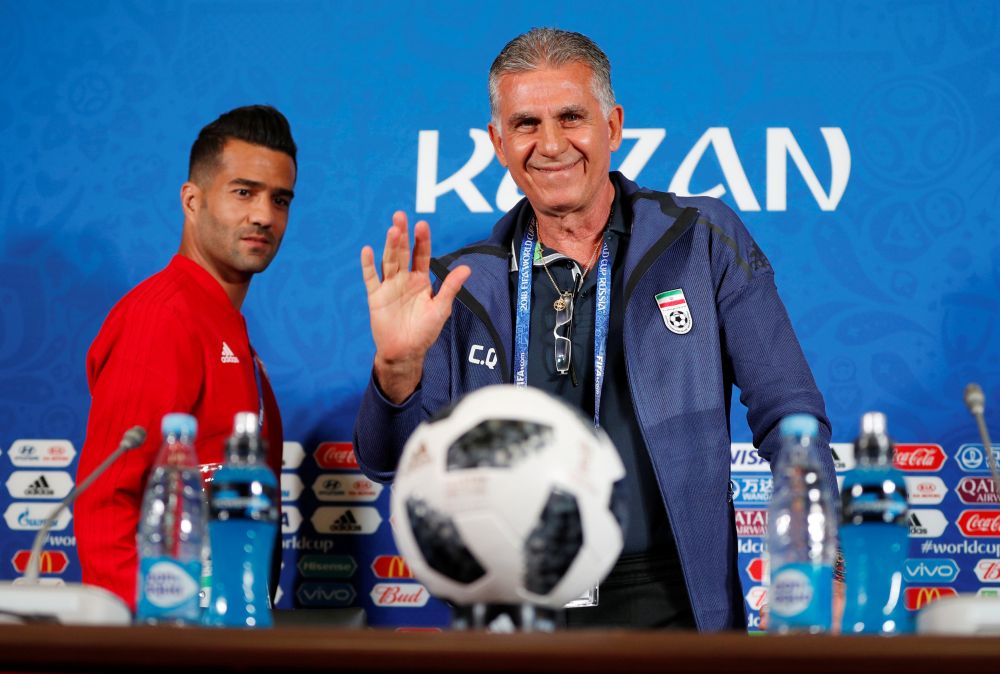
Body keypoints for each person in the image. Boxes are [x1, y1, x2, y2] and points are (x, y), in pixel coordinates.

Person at [354, 29, 835, 631]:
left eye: (572, 117)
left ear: (614, 125)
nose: (551, 144)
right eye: (526, 124)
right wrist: (396, 371)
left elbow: (790, 415)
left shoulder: (701, 239)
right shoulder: (458, 283)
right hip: (511, 609)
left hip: (675, 605)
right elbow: (389, 464)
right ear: (497, 143)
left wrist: (828, 563)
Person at [74, 105, 296, 609]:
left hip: (224, 633)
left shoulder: (225, 327)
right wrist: (145, 648)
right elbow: (107, 504)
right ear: (192, 200)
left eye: (280, 199)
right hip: (169, 646)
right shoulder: (162, 317)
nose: (263, 214)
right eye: (243, 192)